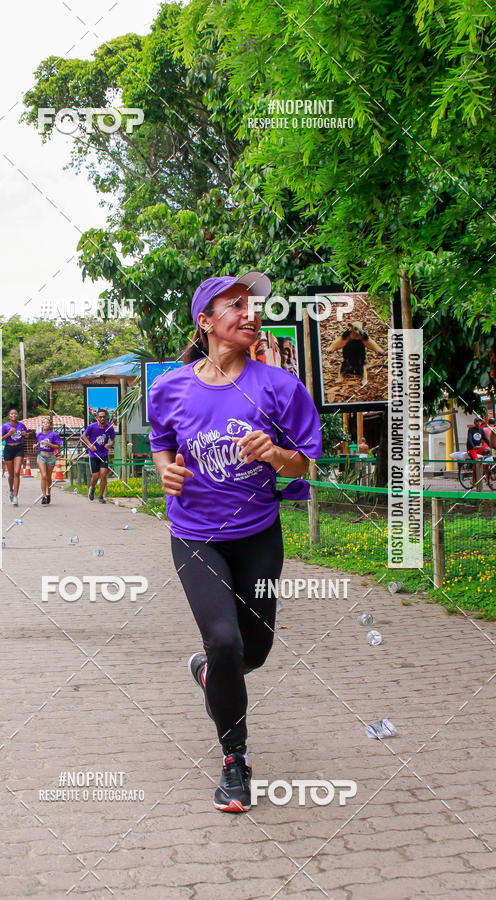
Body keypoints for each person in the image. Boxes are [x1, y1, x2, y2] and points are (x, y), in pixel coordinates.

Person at [148, 271, 322, 813]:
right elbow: (161, 441)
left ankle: (208, 674)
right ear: (206, 322)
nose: (251, 314)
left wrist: (275, 454)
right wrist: (165, 473)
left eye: (253, 307)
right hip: (196, 537)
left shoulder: (279, 387)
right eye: (236, 306)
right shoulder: (170, 388)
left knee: (255, 650)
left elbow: (305, 460)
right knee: (224, 641)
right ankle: (235, 760)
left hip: (258, 538)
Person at [81, 409, 115, 503]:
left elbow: (112, 440)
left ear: (106, 417)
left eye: (104, 416)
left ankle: (101, 496)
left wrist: (109, 444)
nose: (102, 418)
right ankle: (92, 488)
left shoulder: (109, 428)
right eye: (100, 417)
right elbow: (84, 436)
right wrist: (90, 445)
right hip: (94, 454)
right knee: (95, 476)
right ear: (97, 418)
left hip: (104, 454)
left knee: (103, 475)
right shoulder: (92, 427)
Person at [1, 410, 33, 506]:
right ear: (9, 416)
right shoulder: (5, 426)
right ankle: (11, 489)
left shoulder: (21, 425)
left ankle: (15, 496)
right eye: (11, 414)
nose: (13, 415)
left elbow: (27, 435)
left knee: (16, 473)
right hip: (8, 449)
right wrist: (8, 434)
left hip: (19, 448)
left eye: (15, 413)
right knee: (11, 475)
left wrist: (25, 435)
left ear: (17, 415)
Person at [33, 416, 62, 504]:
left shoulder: (54, 434)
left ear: (50, 425)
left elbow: (59, 446)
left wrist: (49, 444)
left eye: (47, 423)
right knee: (44, 476)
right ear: (41, 424)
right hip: (41, 456)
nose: (45, 424)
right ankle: (44, 496)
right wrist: (36, 445)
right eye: (44, 423)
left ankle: (49, 494)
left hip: (51, 457)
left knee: (49, 478)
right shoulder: (39, 434)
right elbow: (39, 443)